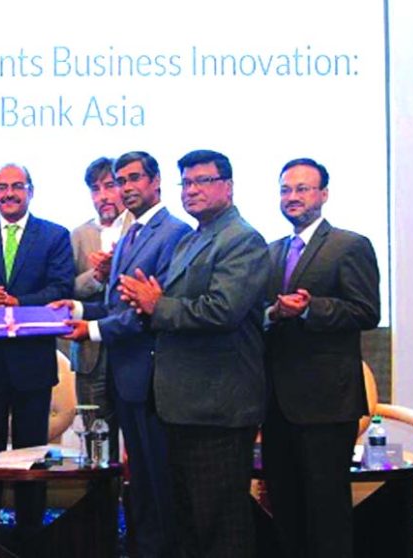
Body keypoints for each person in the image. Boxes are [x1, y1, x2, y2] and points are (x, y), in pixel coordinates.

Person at [118, 149, 270, 558]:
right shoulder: (193, 238)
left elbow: (222, 311)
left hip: (217, 408)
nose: (192, 190)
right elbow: (169, 304)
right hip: (181, 405)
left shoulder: (243, 240)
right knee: (188, 523)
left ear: (228, 186)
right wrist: (145, 303)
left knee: (220, 526)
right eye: (187, 182)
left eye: (203, 181)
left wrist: (157, 305)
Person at [57, 151, 191, 558]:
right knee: (141, 483)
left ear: (156, 182)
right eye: (121, 179)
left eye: (134, 179)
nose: (126, 187)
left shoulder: (173, 233)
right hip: (125, 376)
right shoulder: (132, 234)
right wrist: (77, 310)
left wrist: (91, 329)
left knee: (157, 477)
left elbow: (146, 311)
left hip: (151, 375)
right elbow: (119, 304)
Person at [262, 158, 380, 558]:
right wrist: (273, 313)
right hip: (276, 403)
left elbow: (367, 312)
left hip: (327, 405)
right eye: (285, 190)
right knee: (286, 509)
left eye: (302, 189)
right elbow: (261, 312)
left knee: (326, 513)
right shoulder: (272, 251)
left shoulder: (350, 245)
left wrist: (312, 309)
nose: (292, 197)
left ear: (323, 195)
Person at [0, 163, 74, 551]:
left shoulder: (54, 236)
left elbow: (60, 287)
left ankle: (29, 539)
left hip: (33, 364)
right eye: (1, 187)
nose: (8, 193)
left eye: (16, 186)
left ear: (31, 190)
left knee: (32, 454)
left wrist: (19, 303)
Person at [68, 156, 133, 462]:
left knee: (138, 445)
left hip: (131, 352)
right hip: (90, 357)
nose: (103, 196)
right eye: (95, 189)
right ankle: (99, 510)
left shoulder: (143, 228)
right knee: (95, 447)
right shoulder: (79, 235)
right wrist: (97, 276)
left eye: (110, 186)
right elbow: (69, 290)